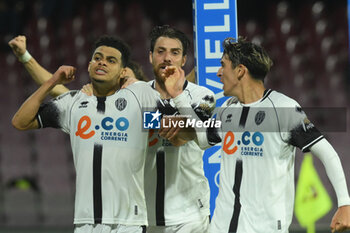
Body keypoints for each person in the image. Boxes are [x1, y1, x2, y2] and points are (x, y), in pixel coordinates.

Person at [9, 25, 215, 233]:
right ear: (150, 57)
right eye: (161, 52)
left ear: (184, 59)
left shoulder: (200, 96)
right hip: (144, 217)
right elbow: (63, 97)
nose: (167, 58)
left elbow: (186, 134)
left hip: (188, 216)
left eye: (175, 52)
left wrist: (176, 101)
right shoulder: (133, 100)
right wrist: (29, 59)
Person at [160, 37, 350, 233]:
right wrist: (178, 95)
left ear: (240, 70)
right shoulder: (227, 110)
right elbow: (201, 138)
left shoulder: (284, 109)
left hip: (264, 228)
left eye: (223, 66)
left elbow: (328, 153)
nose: (218, 73)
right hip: (222, 226)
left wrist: (344, 204)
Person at [11, 35, 162, 233]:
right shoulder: (74, 104)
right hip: (85, 221)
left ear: (123, 72)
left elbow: (172, 124)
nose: (102, 62)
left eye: (111, 60)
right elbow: (20, 122)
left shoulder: (140, 103)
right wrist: (53, 80)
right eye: (97, 58)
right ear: (89, 64)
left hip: (128, 222)